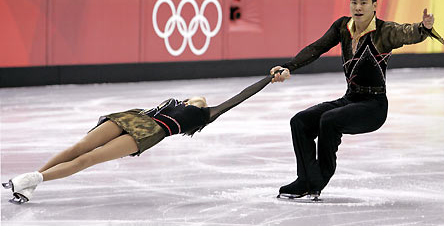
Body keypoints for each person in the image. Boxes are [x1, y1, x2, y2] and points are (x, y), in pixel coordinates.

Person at [270, 0, 444, 200]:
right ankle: (305, 179)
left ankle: (317, 180)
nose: (358, 7)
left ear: (374, 6)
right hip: (350, 99)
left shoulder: (384, 31)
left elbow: (406, 33)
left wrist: (423, 28)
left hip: (373, 106)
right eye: (354, 2)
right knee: (300, 121)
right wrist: (289, 66)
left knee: (329, 120)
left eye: (363, 2)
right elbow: (317, 48)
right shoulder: (343, 26)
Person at [2, 71, 284, 204]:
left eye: (200, 99)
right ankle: (32, 181)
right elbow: (182, 99)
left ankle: (30, 180)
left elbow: (240, 97)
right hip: (136, 116)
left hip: (152, 132)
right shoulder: (180, 99)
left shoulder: (207, 113)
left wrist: (267, 80)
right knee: (80, 146)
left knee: (88, 159)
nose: (199, 98)